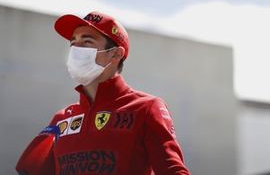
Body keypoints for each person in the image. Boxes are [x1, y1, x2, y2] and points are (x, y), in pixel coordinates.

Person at [16, 11, 190, 175]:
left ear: (115, 54)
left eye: (87, 41)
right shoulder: (61, 118)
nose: (76, 48)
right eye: (73, 42)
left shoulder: (147, 108)